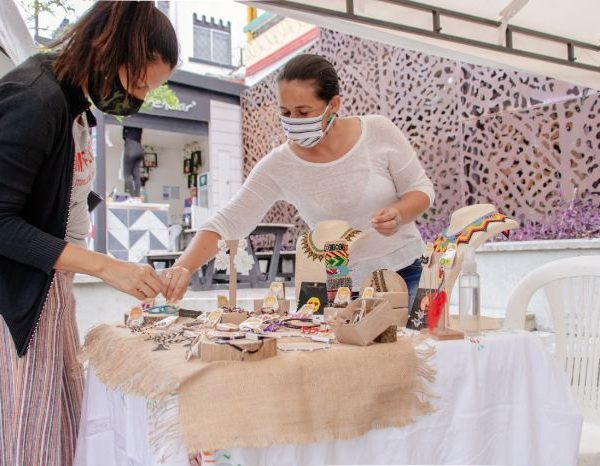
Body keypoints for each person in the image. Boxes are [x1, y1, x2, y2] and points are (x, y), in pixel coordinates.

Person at [0, 3, 177, 465]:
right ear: (108, 48)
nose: (139, 97)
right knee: (32, 439)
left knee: (61, 427)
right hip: (19, 302)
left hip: (50, 292)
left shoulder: (75, 106)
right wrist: (105, 267)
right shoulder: (35, 99)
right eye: (139, 82)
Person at [163, 53, 434, 309]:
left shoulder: (377, 131)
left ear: (334, 105)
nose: (293, 122)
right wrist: (183, 267)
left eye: (303, 112)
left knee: (411, 344)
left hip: (404, 272)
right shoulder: (280, 165)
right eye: (285, 112)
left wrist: (399, 213)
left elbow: (420, 190)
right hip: (339, 285)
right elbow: (230, 220)